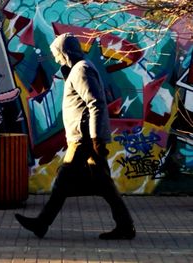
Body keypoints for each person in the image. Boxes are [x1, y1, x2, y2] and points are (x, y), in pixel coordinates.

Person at [15, 33, 136, 240]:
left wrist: (97, 138)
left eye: (57, 54)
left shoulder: (81, 70)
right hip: (84, 136)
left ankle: (41, 224)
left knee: (63, 180)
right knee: (104, 184)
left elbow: (95, 103)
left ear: (65, 53)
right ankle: (125, 226)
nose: (55, 59)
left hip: (84, 138)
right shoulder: (78, 69)